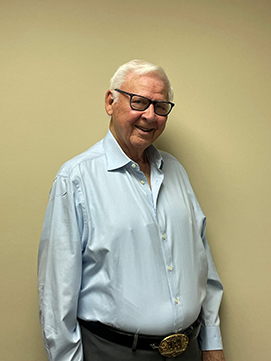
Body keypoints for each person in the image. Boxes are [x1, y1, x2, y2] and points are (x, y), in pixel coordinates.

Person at [38, 59, 226, 361]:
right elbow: (57, 294)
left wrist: (212, 342)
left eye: (161, 106)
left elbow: (201, 260)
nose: (150, 116)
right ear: (110, 102)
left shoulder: (175, 171)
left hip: (188, 350)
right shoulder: (76, 178)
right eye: (139, 102)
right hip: (115, 353)